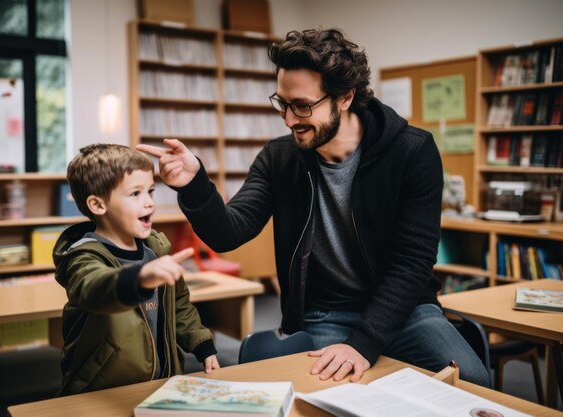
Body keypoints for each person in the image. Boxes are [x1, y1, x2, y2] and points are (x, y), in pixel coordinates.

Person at [139, 28, 490, 387]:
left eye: (303, 106)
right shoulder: (279, 157)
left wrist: (363, 344)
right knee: (319, 397)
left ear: (345, 97)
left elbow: (413, 263)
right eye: (283, 104)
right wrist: (195, 185)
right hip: (326, 313)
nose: (290, 119)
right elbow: (230, 231)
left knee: (475, 385)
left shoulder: (412, 152)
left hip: (406, 310)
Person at [53, 143, 219, 396]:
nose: (150, 203)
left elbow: (179, 305)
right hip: (101, 390)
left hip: (161, 382)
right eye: (135, 194)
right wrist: (139, 278)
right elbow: (94, 287)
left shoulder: (155, 250)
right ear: (98, 205)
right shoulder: (83, 255)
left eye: (151, 191)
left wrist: (203, 345)